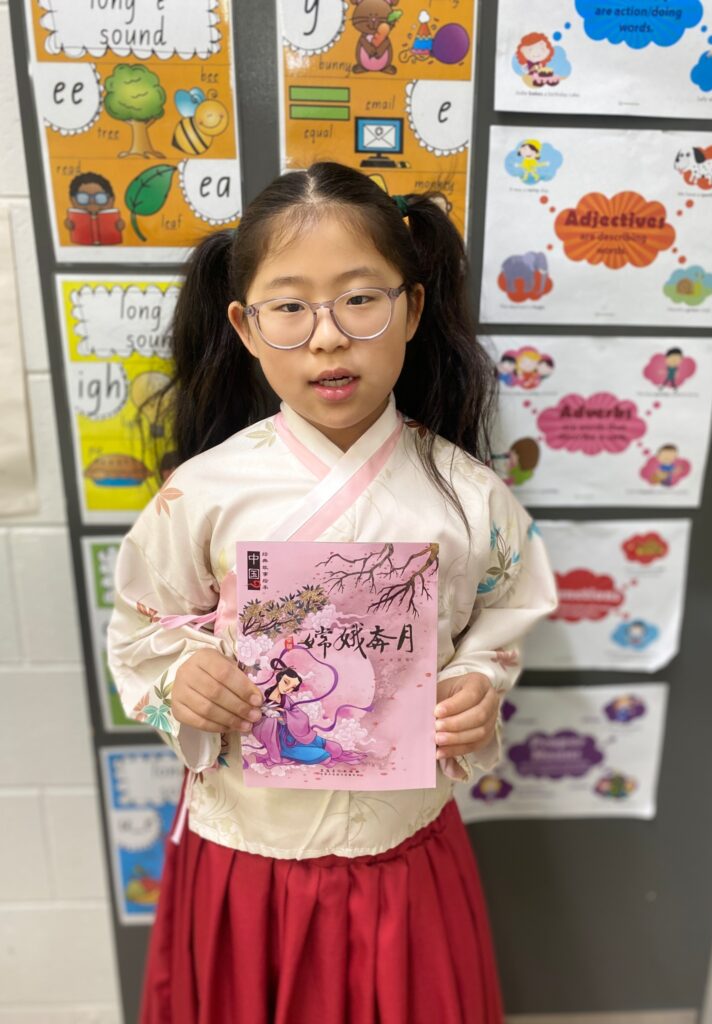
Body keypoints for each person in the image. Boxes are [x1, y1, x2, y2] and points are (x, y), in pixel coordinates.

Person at [107, 161, 557, 1024]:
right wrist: (183, 678)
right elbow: (143, 624)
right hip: (247, 853)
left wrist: (477, 682)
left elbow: (507, 608)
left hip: (403, 850)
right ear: (244, 326)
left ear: (412, 309)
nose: (327, 339)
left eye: (359, 299)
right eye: (289, 307)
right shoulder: (203, 492)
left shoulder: (468, 495)